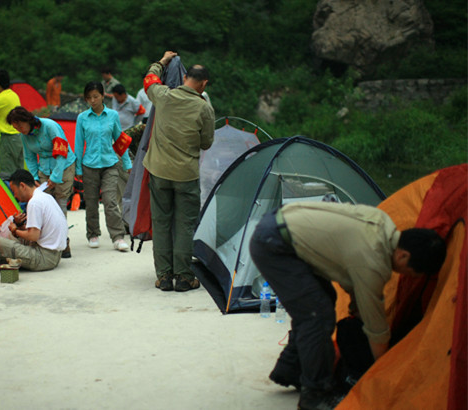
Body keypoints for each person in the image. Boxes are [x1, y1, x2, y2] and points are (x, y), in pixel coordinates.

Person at [248, 201, 447, 410]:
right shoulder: (373, 260)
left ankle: (290, 369)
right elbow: (376, 328)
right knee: (317, 315)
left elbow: (349, 275)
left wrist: (358, 312)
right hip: (274, 245)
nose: (408, 277)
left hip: (280, 229)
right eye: (413, 273)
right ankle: (314, 396)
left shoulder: (382, 225)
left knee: (322, 300)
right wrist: (384, 371)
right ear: (403, 255)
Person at [143, 51, 215, 292]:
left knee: (161, 223)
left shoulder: (163, 95)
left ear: (184, 78)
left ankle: (163, 277)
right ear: (203, 84)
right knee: (184, 225)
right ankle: (184, 277)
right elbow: (206, 143)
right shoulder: (204, 108)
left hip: (159, 172)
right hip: (186, 175)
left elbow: (149, 79)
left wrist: (161, 62)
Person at [6, 106, 76, 258]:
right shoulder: (24, 136)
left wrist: (56, 177)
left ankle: (63, 242)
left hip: (63, 166)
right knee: (39, 201)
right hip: (44, 168)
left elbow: (62, 152)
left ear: (27, 120)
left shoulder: (50, 126)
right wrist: (34, 178)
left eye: (20, 125)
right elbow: (29, 158)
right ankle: (38, 237)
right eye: (15, 127)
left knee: (60, 203)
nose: (19, 129)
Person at [75, 81, 132, 252]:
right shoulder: (82, 118)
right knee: (91, 202)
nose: (93, 100)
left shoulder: (113, 115)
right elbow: (78, 145)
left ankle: (118, 237)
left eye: (96, 96)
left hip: (110, 164)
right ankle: (93, 233)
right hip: (89, 165)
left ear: (102, 96)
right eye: (89, 98)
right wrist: (78, 169)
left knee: (110, 201)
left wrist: (127, 163)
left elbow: (120, 141)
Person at [0, 169, 68, 271]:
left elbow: (33, 236)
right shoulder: (45, 196)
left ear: (23, 186)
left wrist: (15, 230)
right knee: (12, 236)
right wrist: (19, 226)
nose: (14, 196)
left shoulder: (34, 203)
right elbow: (38, 231)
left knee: (0, 243)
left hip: (45, 258)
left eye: (14, 191)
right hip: (56, 254)